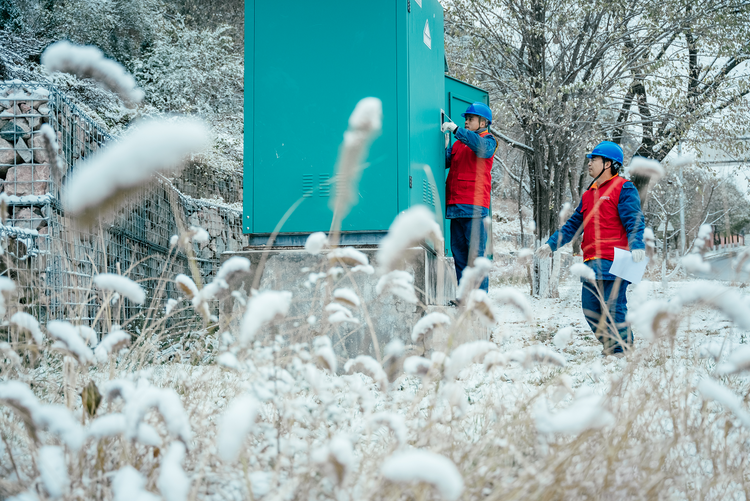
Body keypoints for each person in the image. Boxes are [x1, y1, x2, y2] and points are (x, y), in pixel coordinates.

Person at [535, 141, 645, 357]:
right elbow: (572, 226)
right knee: (590, 307)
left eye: (594, 159)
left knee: (614, 307)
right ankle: (610, 345)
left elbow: (635, 220)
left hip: (616, 259)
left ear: (609, 164)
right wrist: (551, 244)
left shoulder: (624, 187)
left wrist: (637, 245)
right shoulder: (588, 194)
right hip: (591, 261)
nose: (590, 163)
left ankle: (622, 349)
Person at [441, 102, 497, 297]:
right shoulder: (458, 143)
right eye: (466, 119)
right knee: (459, 255)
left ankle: (479, 300)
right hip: (455, 206)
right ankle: (465, 298)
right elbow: (444, 162)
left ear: (484, 122)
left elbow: (482, 149)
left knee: (476, 257)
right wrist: (444, 147)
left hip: (474, 207)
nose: (466, 121)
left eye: (470, 119)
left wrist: (456, 130)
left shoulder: (488, 140)